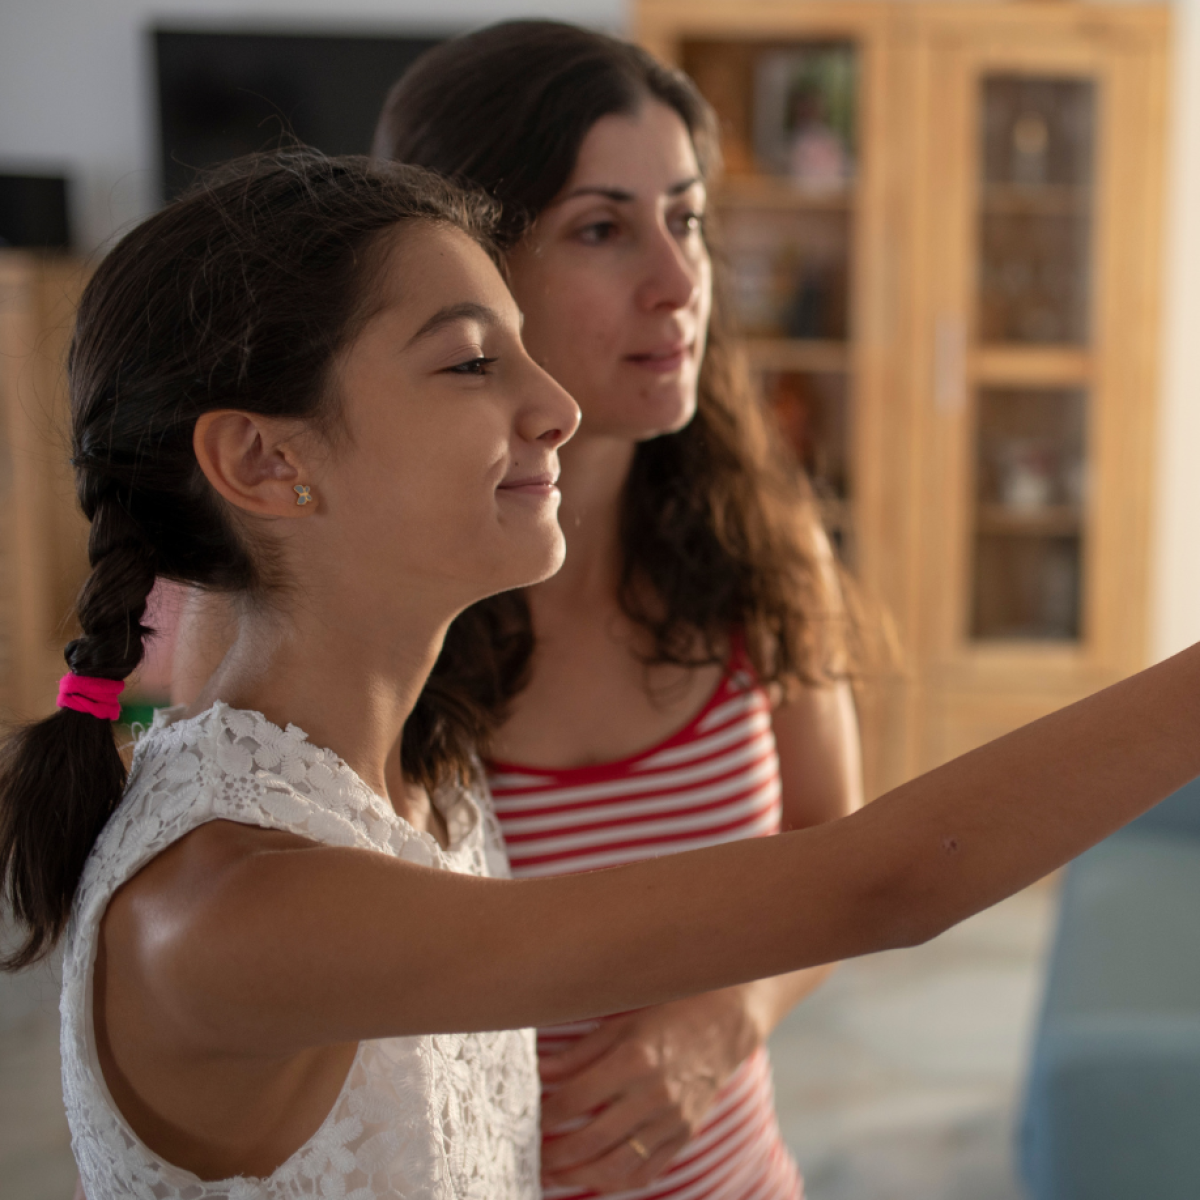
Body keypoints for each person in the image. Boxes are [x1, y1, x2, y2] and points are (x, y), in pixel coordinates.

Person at [13, 148, 1200, 1200]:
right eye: (471, 364)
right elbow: (882, 884)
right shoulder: (227, 912)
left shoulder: (412, 771)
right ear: (264, 460)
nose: (558, 406)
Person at [372, 23, 859, 1197]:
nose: (680, 282)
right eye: (602, 228)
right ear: (466, 272)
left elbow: (833, 852)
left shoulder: (763, 540)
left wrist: (731, 1013)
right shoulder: (373, 600)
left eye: (686, 219)